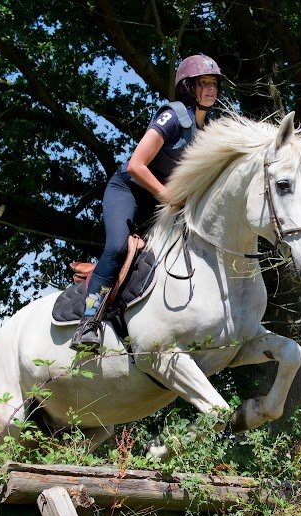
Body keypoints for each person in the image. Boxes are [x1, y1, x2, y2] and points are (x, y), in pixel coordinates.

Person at [71, 54, 225, 350]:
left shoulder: (210, 132)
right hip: (130, 191)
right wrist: (167, 196)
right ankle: (88, 322)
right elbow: (136, 165)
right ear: (189, 88)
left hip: (162, 205)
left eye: (214, 84)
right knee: (117, 246)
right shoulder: (172, 116)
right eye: (203, 83)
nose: (211, 89)